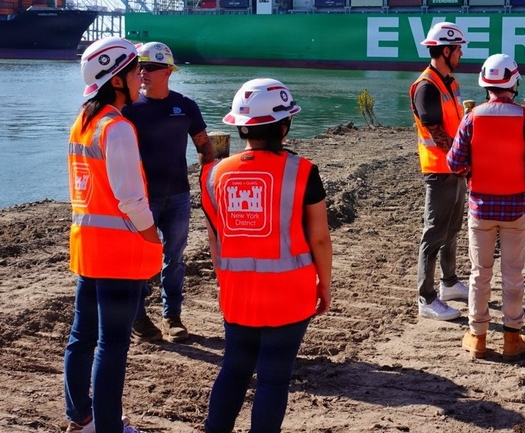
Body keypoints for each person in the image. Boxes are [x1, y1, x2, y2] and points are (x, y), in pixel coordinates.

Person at [201, 78, 332, 433]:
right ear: (285, 125)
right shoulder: (303, 171)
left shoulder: (214, 174)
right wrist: (325, 285)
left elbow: (217, 241)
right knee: (273, 379)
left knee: (235, 366)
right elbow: (319, 238)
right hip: (290, 294)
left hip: (238, 293)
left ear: (241, 126)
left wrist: (226, 283)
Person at [64, 37, 162, 433]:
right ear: (117, 79)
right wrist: (154, 236)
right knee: (112, 344)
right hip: (119, 255)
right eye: (135, 70)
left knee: (82, 337)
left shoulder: (84, 122)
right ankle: (108, 427)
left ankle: (80, 418)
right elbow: (131, 201)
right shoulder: (116, 127)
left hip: (89, 250)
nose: (142, 76)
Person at [447, 54, 525, 359]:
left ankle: (477, 338)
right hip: (516, 208)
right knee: (513, 275)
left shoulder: (471, 118)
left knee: (480, 274)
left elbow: (453, 163)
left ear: (484, 83)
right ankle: (512, 338)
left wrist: (474, 165)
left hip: (480, 208)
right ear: (514, 83)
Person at [122, 41, 216, 343]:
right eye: (139, 67)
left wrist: (209, 182)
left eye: (149, 67)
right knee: (139, 258)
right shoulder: (129, 108)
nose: (142, 72)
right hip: (142, 197)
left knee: (174, 258)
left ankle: (172, 316)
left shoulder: (185, 106)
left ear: (167, 71)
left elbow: (204, 145)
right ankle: (138, 317)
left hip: (178, 196)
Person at [410, 21, 470, 321]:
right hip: (439, 170)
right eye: (458, 49)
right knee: (433, 234)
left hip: (455, 168)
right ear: (445, 51)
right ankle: (426, 298)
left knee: (452, 230)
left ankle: (449, 284)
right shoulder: (426, 87)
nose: (461, 54)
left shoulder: (451, 82)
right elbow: (436, 132)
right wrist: (462, 159)